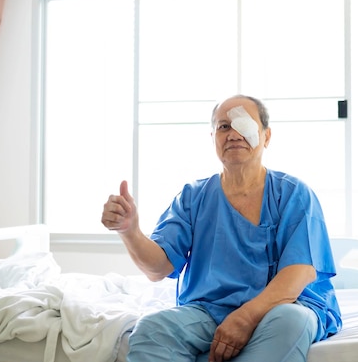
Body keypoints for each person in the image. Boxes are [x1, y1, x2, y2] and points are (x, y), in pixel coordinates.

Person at [101, 95, 342, 362]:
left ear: (266, 136)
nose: (234, 133)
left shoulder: (293, 193)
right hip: (208, 312)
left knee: (290, 321)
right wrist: (130, 231)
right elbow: (158, 268)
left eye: (244, 124)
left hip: (283, 306)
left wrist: (246, 317)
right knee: (152, 329)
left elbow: (300, 272)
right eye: (224, 126)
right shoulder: (194, 197)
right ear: (214, 136)